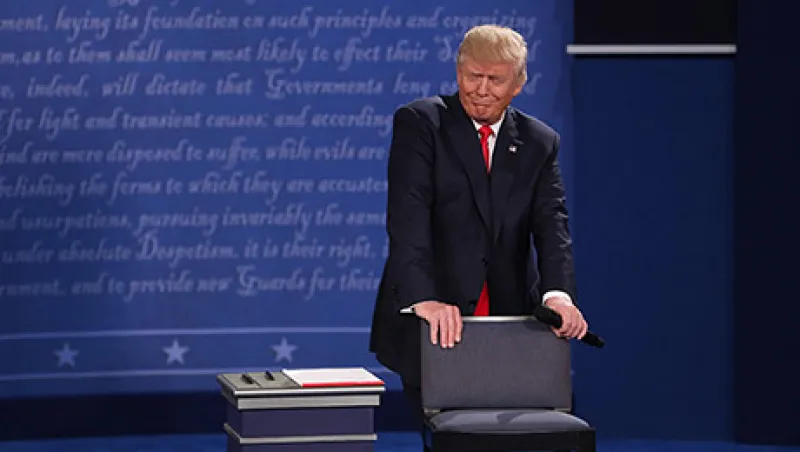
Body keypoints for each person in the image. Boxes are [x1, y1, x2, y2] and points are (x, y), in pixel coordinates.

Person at [369, 24, 590, 437]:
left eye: (495, 79)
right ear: (459, 73)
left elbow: (551, 224)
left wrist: (558, 295)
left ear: (519, 84)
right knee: (452, 438)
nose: (482, 89)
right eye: (473, 76)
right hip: (436, 318)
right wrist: (425, 298)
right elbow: (408, 217)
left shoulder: (540, 142)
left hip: (511, 320)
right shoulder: (422, 124)